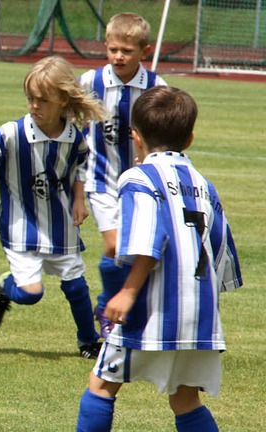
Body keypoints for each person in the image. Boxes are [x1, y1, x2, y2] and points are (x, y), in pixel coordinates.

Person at [76, 86, 243, 432]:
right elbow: (221, 251)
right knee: (185, 400)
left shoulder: (138, 179)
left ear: (136, 138)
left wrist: (127, 292)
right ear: (191, 138)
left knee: (102, 385)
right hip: (200, 317)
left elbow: (148, 241)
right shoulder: (203, 185)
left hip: (153, 310)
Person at [0, 56, 108, 359]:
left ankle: (88, 340)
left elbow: (81, 166)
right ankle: (5, 288)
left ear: (62, 100)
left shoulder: (75, 138)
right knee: (32, 294)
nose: (34, 105)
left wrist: (78, 199)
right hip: (21, 226)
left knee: (76, 285)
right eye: (30, 98)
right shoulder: (12, 134)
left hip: (60, 223)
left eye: (43, 100)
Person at [79, 13, 167, 338]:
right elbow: (72, 122)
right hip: (101, 179)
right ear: (105, 46)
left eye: (127, 51)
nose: (119, 56)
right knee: (115, 246)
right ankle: (107, 309)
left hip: (141, 183)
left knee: (132, 249)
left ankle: (113, 305)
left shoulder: (158, 87)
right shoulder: (91, 82)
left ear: (144, 51)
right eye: (113, 49)